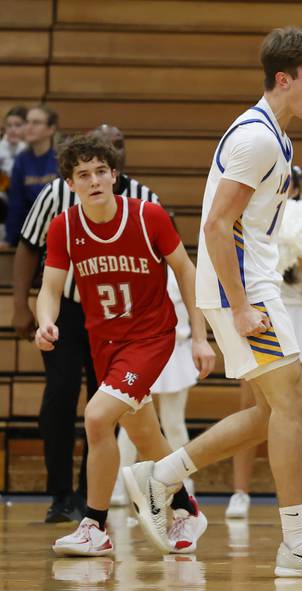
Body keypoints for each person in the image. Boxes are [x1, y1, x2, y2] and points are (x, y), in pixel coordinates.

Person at [122, 27, 302, 578]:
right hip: (244, 288)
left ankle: (160, 475)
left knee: (273, 411)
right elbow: (215, 224)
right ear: (284, 79)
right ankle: (299, 541)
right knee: (293, 404)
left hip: (252, 283)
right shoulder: (257, 138)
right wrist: (237, 304)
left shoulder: (276, 135)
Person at [36, 134, 215, 556]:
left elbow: (188, 272)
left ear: (115, 175)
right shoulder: (64, 227)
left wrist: (201, 337)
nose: (94, 180)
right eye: (83, 174)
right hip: (106, 343)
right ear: (71, 183)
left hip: (151, 337)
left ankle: (94, 525)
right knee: (147, 435)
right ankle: (186, 507)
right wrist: (46, 321)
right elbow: (50, 289)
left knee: (97, 417)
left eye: (101, 171)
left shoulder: (148, 216)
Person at [12, 124, 161, 524]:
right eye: (86, 169)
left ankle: (86, 494)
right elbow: (28, 247)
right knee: (60, 395)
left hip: (119, 318)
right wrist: (22, 305)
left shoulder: (146, 201)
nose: (96, 174)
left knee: (104, 406)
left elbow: (169, 263)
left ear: (116, 164)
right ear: (73, 174)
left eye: (117, 148)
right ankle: (61, 493)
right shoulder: (57, 197)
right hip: (66, 307)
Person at [225, 166, 302, 521]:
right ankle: (240, 493)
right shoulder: (252, 222)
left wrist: (298, 245)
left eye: (289, 188)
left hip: (301, 315)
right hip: (263, 314)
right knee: (253, 408)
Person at [111, 265, 199, 506]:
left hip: (175, 352)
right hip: (141, 353)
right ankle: (120, 482)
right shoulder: (134, 271)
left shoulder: (178, 273)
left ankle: (184, 481)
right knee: (130, 422)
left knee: (173, 422)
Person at [3, 105, 58, 247]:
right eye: (27, 122)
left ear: (51, 129)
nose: (29, 127)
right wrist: (10, 240)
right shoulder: (21, 160)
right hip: (29, 235)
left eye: (36, 122)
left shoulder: (60, 159)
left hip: (59, 233)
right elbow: (16, 204)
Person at [0, 105, 28, 230]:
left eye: (17, 125)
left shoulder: (32, 150)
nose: (12, 130)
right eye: (9, 126)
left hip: (25, 207)